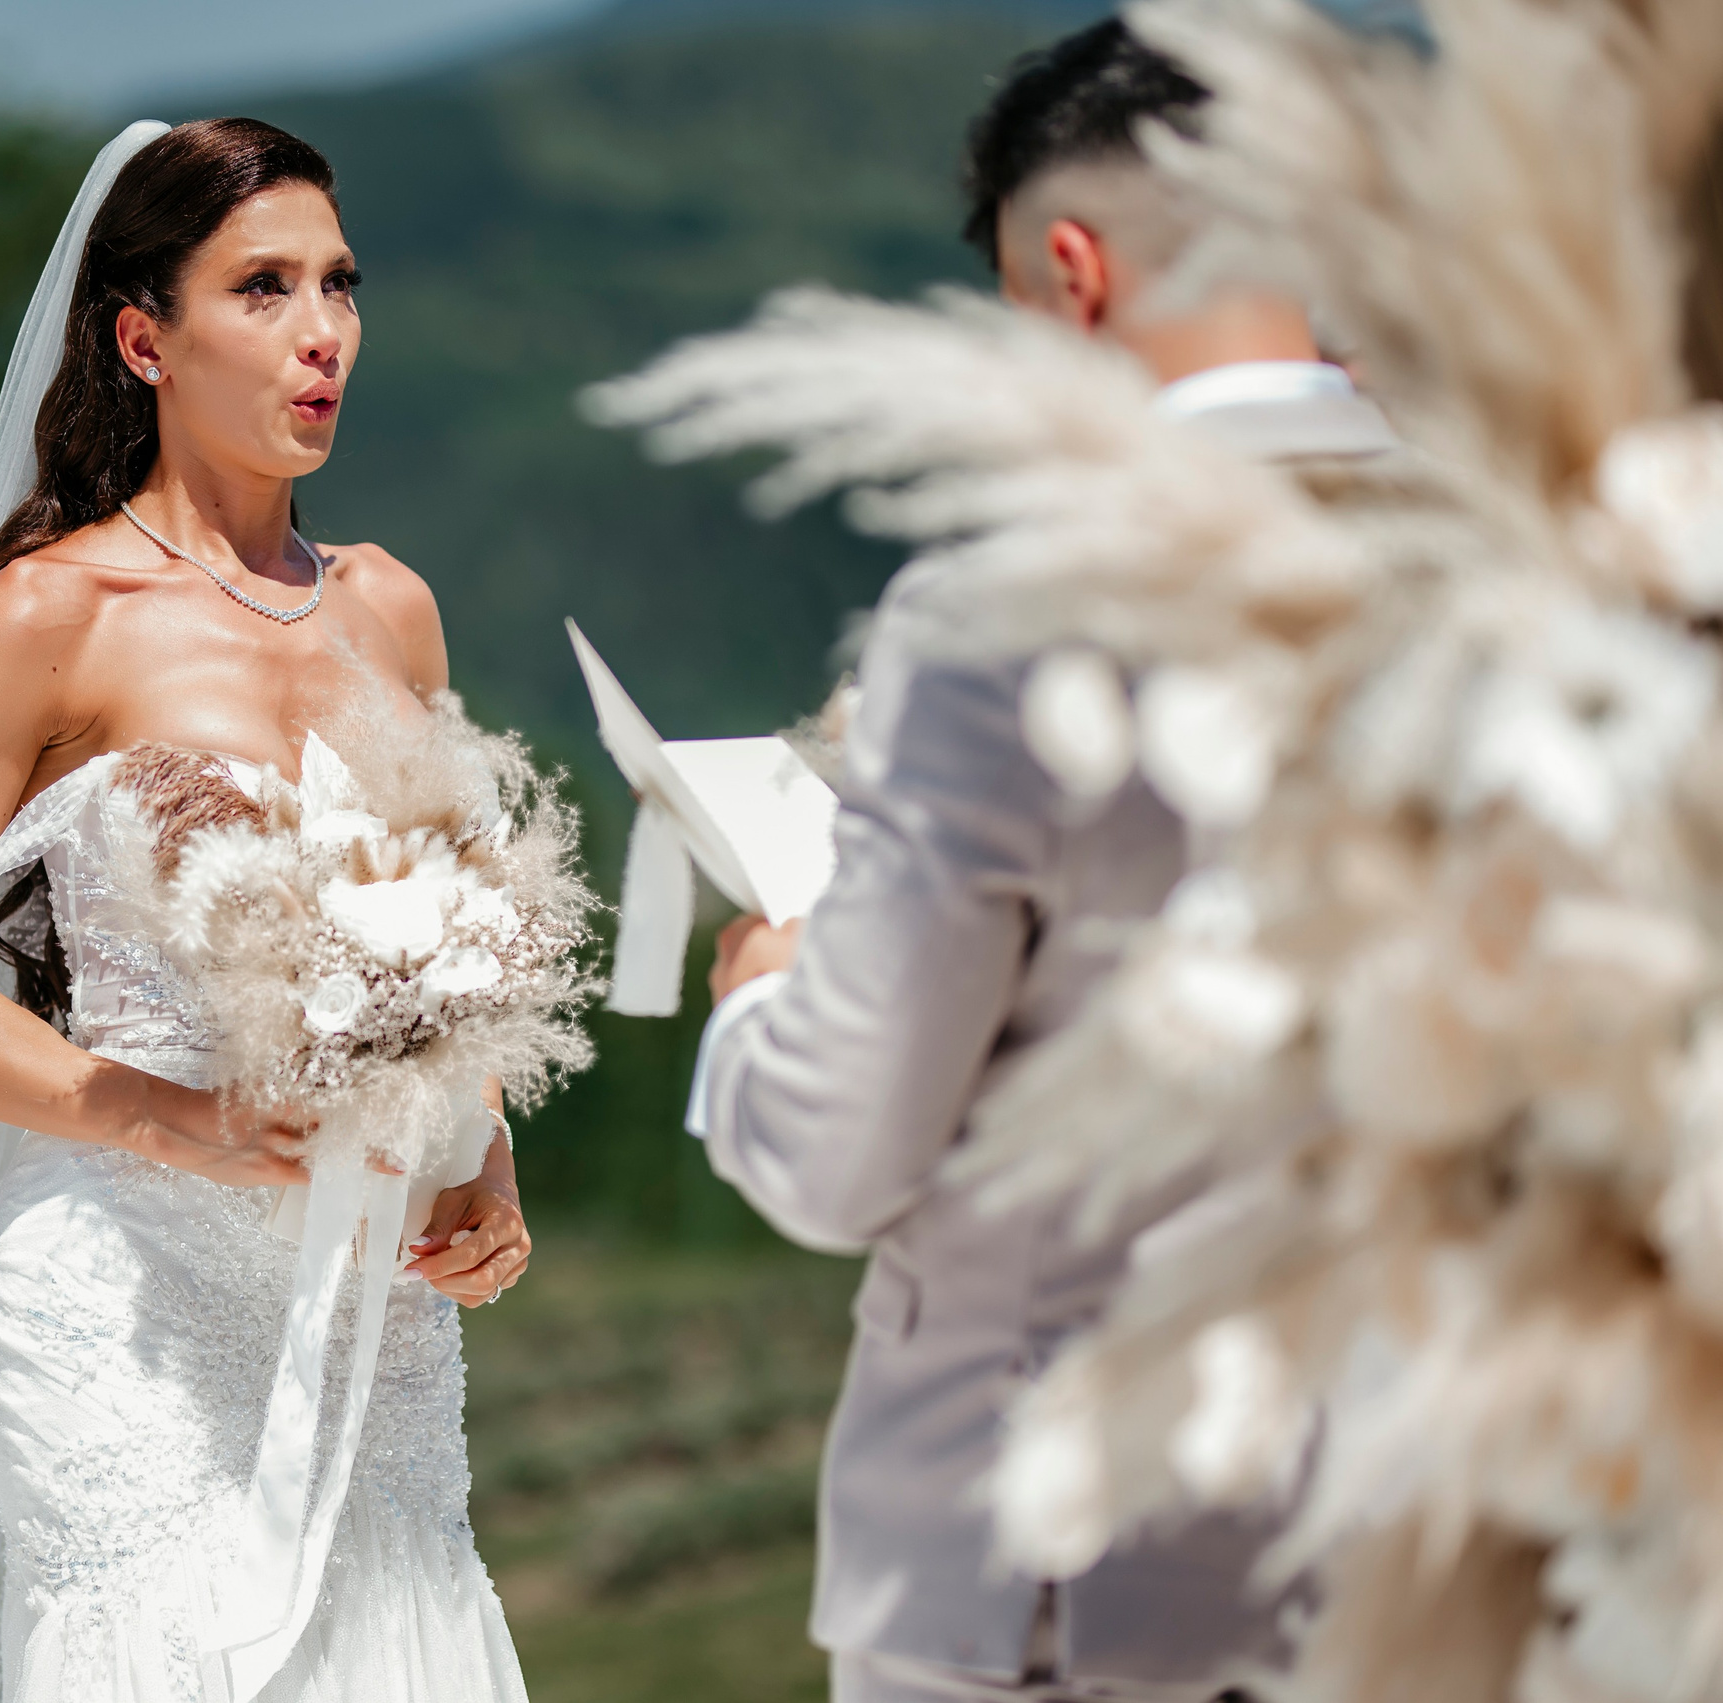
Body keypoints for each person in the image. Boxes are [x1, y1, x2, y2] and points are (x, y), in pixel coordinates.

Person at [0, 119, 533, 1703]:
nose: (322, 331)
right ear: (143, 339)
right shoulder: (49, 615)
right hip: (120, 1301)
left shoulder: (392, 609)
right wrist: (172, 1121)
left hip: (366, 1303)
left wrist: (483, 1155)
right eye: (263, 289)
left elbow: (450, 947)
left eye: (341, 285)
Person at [689, 22, 1400, 1703]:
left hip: (1060, 1569)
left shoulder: (1014, 608)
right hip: (1442, 1560)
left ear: (1071, 277)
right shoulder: (1545, 560)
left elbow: (839, 1154)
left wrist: (760, 1002)